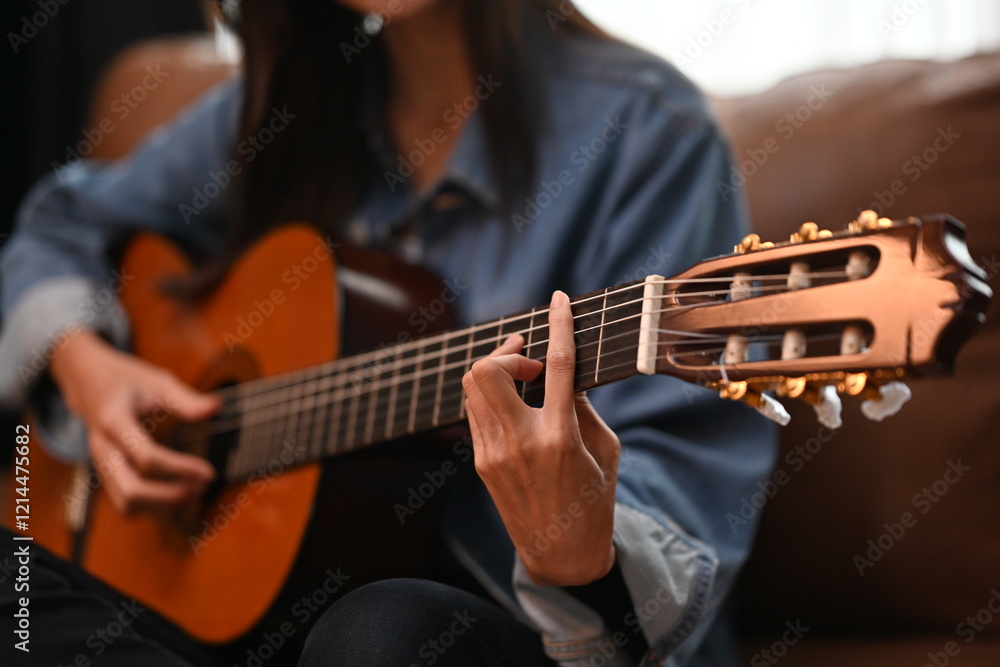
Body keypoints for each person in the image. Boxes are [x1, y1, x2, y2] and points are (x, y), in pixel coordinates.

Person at [0, 0, 776, 665]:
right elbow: (57, 225)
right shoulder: (286, 100)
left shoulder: (647, 131)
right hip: (244, 624)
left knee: (381, 631)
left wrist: (578, 546)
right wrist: (84, 365)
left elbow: (684, 515)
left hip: (511, 635)